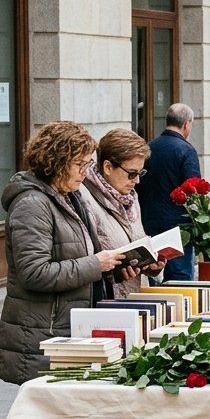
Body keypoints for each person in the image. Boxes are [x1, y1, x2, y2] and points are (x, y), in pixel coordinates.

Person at [0, 121, 127, 419]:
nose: (86, 171)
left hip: (69, 331)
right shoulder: (32, 204)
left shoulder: (67, 195)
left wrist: (114, 265)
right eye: (81, 163)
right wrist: (96, 264)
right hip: (43, 334)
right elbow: (34, 272)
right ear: (57, 161)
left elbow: (82, 255)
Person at [78, 128, 162, 298]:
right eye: (132, 174)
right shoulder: (85, 198)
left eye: (140, 173)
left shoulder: (130, 198)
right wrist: (115, 273)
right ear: (108, 167)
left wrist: (152, 265)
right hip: (105, 303)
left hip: (130, 298)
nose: (137, 181)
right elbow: (84, 262)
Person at [137, 103, 200, 280]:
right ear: (186, 124)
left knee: (152, 273)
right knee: (179, 279)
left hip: (148, 221)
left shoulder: (149, 148)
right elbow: (194, 191)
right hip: (178, 228)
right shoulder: (186, 150)